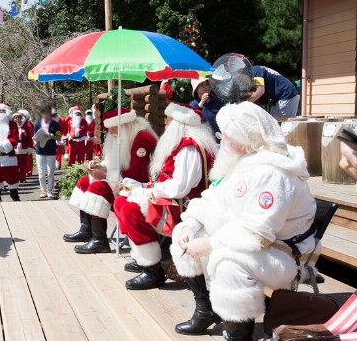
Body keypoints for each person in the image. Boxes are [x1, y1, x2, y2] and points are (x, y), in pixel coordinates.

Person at [170, 102, 317, 340]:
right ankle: (206, 309)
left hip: (284, 254)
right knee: (182, 237)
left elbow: (257, 233)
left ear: (243, 140)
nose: (222, 140)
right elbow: (213, 199)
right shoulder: (245, 162)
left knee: (227, 262)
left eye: (225, 135)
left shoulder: (272, 173)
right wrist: (192, 223)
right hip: (260, 246)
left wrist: (210, 244)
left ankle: (239, 335)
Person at [114, 103, 217, 290]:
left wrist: (146, 192)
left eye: (169, 120)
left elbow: (180, 187)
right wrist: (141, 186)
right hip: (172, 200)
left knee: (131, 208)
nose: (166, 124)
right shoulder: (179, 146)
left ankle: (153, 271)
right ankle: (144, 260)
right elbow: (164, 181)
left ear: (179, 123)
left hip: (186, 208)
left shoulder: (189, 148)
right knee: (122, 200)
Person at [66, 109, 158, 254]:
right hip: (122, 180)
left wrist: (105, 173)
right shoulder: (124, 135)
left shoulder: (142, 138)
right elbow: (113, 161)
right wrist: (100, 166)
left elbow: (138, 174)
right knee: (84, 182)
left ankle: (99, 240)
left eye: (114, 129)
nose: (112, 133)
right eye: (110, 130)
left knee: (98, 188)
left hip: (139, 185)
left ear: (125, 125)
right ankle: (87, 229)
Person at [0, 103, 21, 202]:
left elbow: (15, 137)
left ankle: (14, 196)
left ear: (7, 112)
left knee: (11, 175)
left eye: (3, 111)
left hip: (8, 155)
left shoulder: (12, 124)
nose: (1, 113)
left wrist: (5, 145)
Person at [33, 107, 61, 199]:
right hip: (40, 151)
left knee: (50, 172)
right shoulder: (37, 124)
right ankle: (43, 190)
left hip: (51, 151)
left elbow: (58, 136)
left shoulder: (55, 124)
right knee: (41, 172)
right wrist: (35, 142)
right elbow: (34, 137)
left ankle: (49, 190)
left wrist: (51, 136)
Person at [13, 111, 34, 183]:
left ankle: (22, 178)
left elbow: (29, 138)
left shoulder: (25, 127)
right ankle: (16, 177)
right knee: (15, 164)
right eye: (15, 118)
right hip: (14, 148)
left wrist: (30, 147)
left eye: (18, 118)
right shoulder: (11, 127)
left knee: (23, 164)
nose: (17, 119)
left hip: (24, 148)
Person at [19, 109, 34, 177]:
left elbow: (31, 135)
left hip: (28, 143)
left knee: (28, 158)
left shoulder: (29, 125)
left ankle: (29, 170)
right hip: (19, 145)